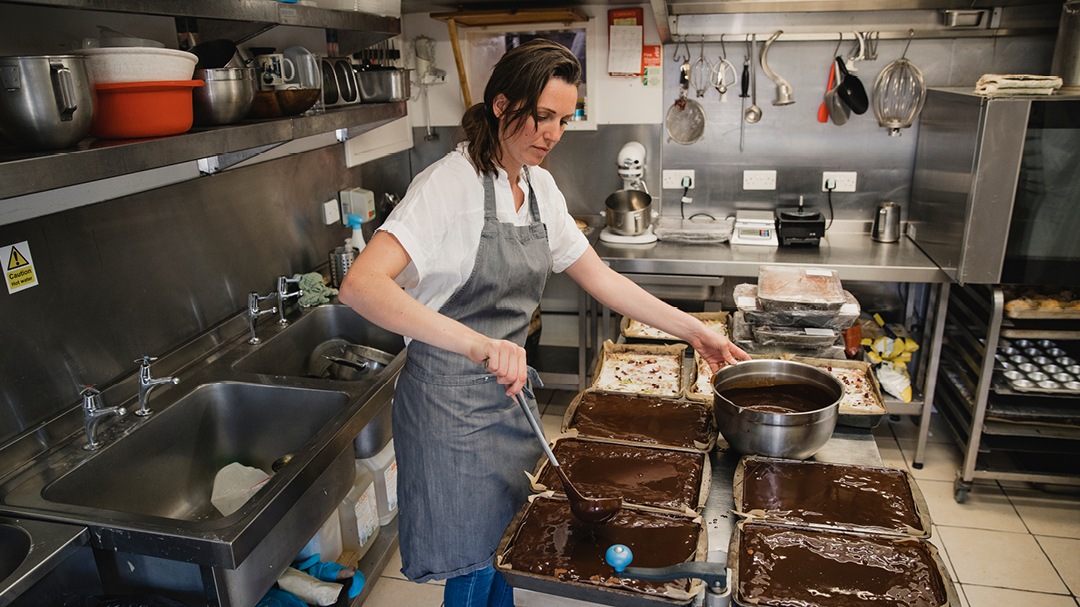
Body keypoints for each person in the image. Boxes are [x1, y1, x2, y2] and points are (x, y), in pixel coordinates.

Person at [338, 39, 750, 607]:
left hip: (508, 399)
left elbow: (602, 280)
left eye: (564, 119)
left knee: (506, 550)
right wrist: (480, 345)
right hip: (448, 407)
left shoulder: (538, 188)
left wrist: (694, 330)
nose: (553, 133)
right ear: (501, 105)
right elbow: (361, 285)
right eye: (542, 116)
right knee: (473, 563)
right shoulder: (447, 186)